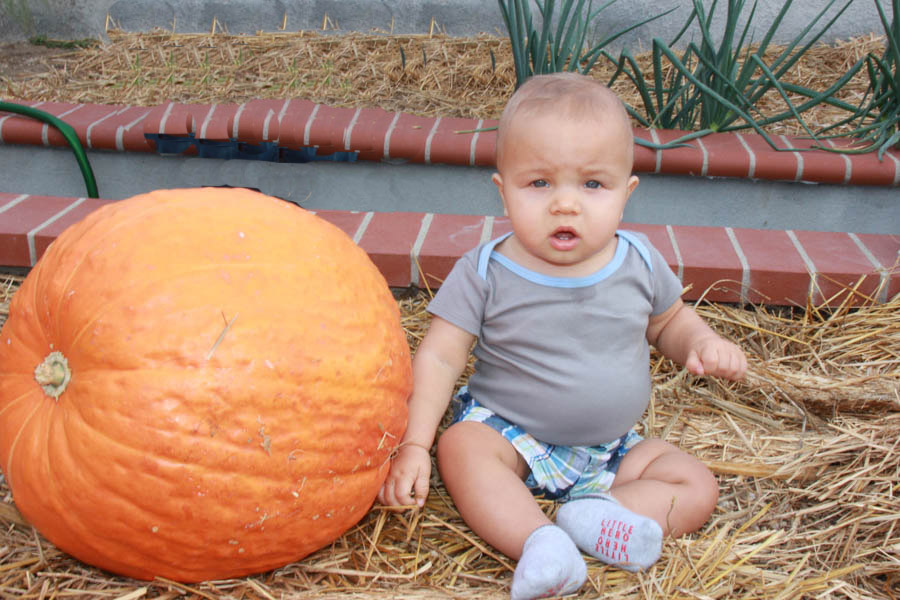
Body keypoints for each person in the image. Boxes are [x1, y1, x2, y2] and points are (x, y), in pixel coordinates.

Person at [377, 72, 747, 600]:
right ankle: (540, 541)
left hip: (612, 450)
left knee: (696, 485)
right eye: (540, 183)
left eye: (593, 184)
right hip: (510, 437)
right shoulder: (485, 270)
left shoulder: (639, 261)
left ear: (626, 192)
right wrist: (415, 443)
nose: (566, 204)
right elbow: (439, 358)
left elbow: (670, 323)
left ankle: (598, 517)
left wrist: (701, 343)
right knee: (460, 449)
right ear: (504, 192)